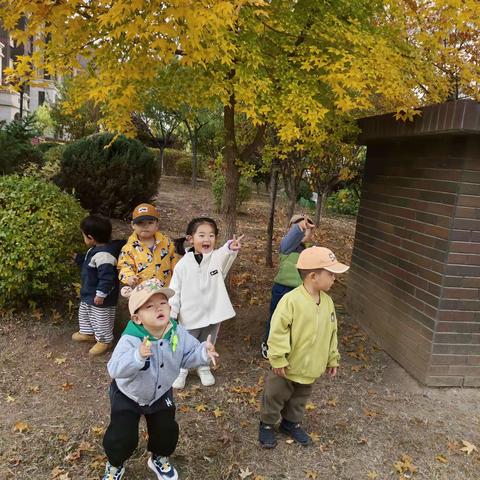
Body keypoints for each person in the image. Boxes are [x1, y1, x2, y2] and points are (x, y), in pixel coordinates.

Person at [102, 278, 219, 480]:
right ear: (137, 318)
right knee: (122, 436)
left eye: (163, 303)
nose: (159, 308)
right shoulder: (131, 338)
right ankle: (115, 464)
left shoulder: (177, 332)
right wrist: (137, 356)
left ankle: (159, 458)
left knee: (166, 430)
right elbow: (114, 368)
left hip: (161, 391)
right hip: (128, 395)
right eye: (150, 306)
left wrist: (203, 352)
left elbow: (188, 355)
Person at [258, 246, 349, 448]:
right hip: (287, 366)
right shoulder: (291, 301)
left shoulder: (328, 302)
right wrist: (278, 357)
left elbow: (332, 331)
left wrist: (332, 358)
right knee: (275, 395)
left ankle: (290, 424)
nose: (335, 278)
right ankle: (267, 424)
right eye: (331, 274)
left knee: (300, 398)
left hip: (311, 367)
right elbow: (278, 330)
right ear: (313, 276)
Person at [168, 217, 243, 388]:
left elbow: (226, 254)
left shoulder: (216, 259)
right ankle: (182, 370)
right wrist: (172, 314)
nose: (206, 239)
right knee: (186, 344)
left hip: (213, 313)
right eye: (201, 235)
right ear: (190, 239)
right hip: (190, 315)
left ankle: (203, 367)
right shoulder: (182, 265)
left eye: (211, 235)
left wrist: (231, 247)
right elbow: (175, 292)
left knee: (208, 341)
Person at [260, 214, 315, 359]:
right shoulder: (286, 246)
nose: (303, 231)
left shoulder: (311, 250)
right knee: (276, 317)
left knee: (296, 320)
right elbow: (290, 241)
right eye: (299, 227)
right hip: (282, 289)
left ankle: (289, 345)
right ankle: (269, 343)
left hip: (301, 291)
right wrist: (300, 228)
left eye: (307, 229)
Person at [72, 214, 124, 356]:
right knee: (85, 313)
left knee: (101, 318)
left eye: (83, 235)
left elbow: (107, 277)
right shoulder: (95, 250)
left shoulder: (104, 255)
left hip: (101, 297)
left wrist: (101, 294)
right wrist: (78, 258)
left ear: (90, 238)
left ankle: (105, 341)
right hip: (89, 293)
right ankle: (87, 333)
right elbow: (89, 262)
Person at [118, 203, 177, 288]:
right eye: (140, 223)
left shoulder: (166, 243)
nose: (145, 226)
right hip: (142, 291)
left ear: (157, 225)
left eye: (150, 222)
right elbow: (125, 266)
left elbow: (175, 260)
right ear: (133, 225)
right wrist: (129, 277)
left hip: (165, 289)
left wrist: (178, 275)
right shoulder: (128, 248)